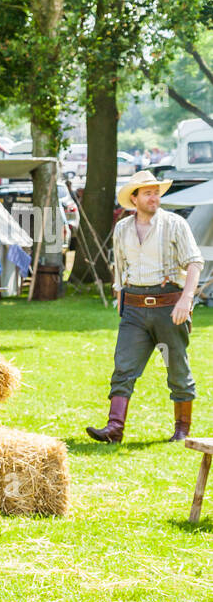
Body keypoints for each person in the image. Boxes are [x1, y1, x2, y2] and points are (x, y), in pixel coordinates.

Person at [87, 170, 204, 443]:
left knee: (177, 367)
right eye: (148, 192)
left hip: (169, 306)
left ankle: (182, 430)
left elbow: (195, 263)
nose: (154, 197)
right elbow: (119, 266)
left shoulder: (175, 224)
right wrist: (119, 297)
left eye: (156, 192)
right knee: (123, 367)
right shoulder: (122, 228)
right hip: (135, 308)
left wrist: (186, 300)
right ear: (134, 198)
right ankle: (114, 428)